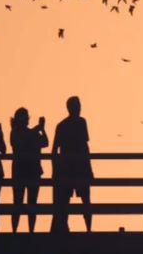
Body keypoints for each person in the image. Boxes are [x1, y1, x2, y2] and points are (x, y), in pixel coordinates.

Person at [51, 96, 93, 233]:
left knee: (67, 202)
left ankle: (74, 229)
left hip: (67, 169)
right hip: (78, 168)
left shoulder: (62, 125)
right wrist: (89, 168)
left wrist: (56, 169)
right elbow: (84, 146)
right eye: (77, 106)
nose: (79, 108)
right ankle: (87, 230)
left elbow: (54, 150)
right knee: (85, 202)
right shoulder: (81, 122)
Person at [10, 107, 48, 233]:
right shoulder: (15, 133)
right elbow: (21, 141)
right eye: (24, 116)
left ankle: (31, 230)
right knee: (18, 203)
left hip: (31, 171)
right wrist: (39, 128)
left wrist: (41, 129)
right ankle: (15, 230)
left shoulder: (29, 132)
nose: (26, 118)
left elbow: (45, 142)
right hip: (22, 172)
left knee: (32, 203)